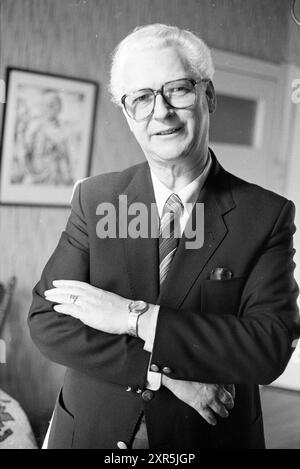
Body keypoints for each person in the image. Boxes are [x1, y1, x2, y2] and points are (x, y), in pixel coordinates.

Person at [28, 24, 300, 449]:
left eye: (177, 89)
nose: (161, 112)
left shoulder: (266, 215)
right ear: (127, 114)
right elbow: (47, 321)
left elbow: (268, 348)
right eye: (141, 98)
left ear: (208, 96)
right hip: (92, 430)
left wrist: (134, 317)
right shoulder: (96, 198)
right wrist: (160, 377)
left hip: (205, 437)